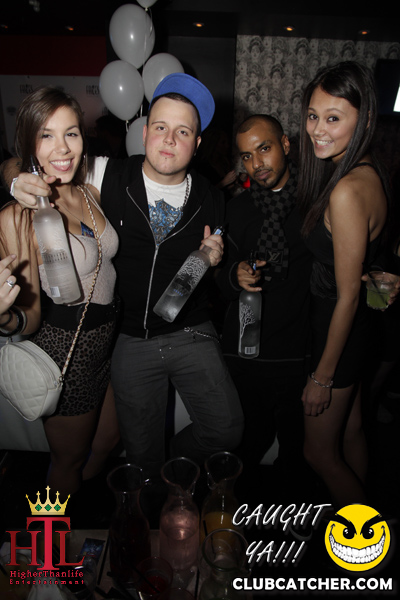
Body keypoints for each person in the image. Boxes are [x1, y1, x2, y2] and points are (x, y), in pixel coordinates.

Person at [4, 74, 244, 481]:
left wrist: (220, 264)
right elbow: (37, 159)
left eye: (183, 131)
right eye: (161, 127)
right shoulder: (106, 175)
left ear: (197, 142)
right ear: (145, 133)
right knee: (133, 455)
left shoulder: (213, 197)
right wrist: (14, 177)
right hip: (128, 337)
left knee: (225, 430)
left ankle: (172, 467)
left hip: (190, 329)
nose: (169, 140)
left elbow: (218, 281)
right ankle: (142, 499)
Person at [0, 87, 120, 498]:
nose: (62, 148)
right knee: (67, 460)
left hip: (107, 342)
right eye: (46, 135)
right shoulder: (19, 215)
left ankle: (80, 510)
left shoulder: (88, 191)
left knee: (107, 440)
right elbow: (28, 315)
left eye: (71, 133)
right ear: (29, 142)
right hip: (66, 350)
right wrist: (3, 315)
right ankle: (50, 536)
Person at [297, 61, 389, 506]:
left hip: (339, 332)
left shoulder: (347, 189)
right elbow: (366, 271)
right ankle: (357, 522)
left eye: (333, 118)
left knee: (318, 453)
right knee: (351, 431)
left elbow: (349, 295)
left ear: (365, 119)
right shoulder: (368, 170)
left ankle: (369, 538)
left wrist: (322, 376)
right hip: (355, 329)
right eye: (313, 116)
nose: (318, 129)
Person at [216, 114, 312, 491]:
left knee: (297, 453)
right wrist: (233, 275)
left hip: (296, 352)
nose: (256, 164)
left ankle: (290, 518)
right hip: (246, 352)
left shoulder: (315, 204)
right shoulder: (237, 209)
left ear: (285, 145)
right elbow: (216, 276)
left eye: (264, 149)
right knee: (246, 447)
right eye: (246, 156)